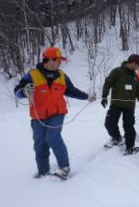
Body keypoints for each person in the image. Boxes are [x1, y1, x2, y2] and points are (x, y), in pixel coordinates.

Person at [14, 47, 96, 179]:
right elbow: (17, 91)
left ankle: (64, 167)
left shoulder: (62, 75)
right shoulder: (32, 75)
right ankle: (43, 172)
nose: (60, 62)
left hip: (57, 113)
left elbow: (72, 91)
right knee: (40, 143)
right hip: (38, 116)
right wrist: (25, 91)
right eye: (58, 60)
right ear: (50, 60)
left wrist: (87, 97)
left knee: (52, 137)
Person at [101, 54, 139, 155]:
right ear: (133, 63)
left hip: (129, 107)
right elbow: (108, 83)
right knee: (109, 123)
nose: (138, 68)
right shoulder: (117, 71)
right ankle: (117, 137)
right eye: (137, 65)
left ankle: (130, 147)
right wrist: (104, 96)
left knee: (129, 127)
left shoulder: (135, 77)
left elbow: (138, 93)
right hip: (116, 104)